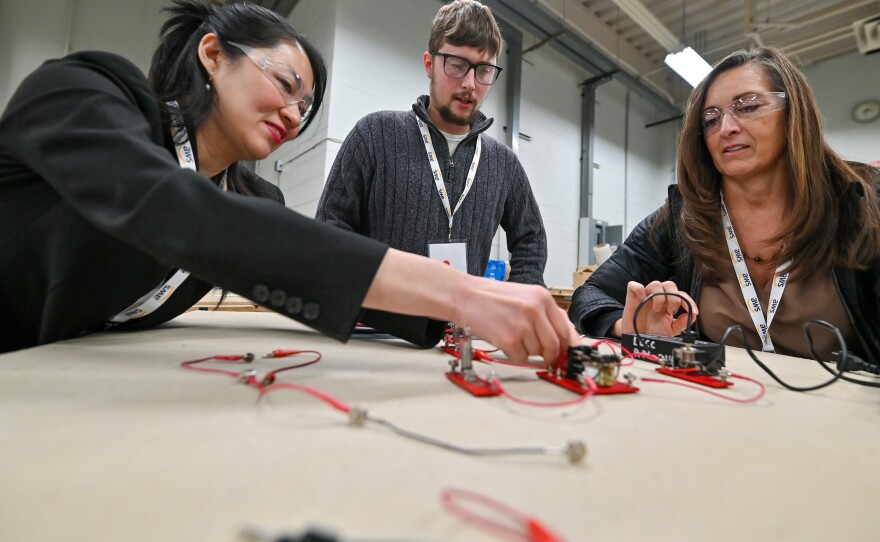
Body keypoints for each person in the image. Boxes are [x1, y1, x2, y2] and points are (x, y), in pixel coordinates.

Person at [0, 0, 578, 364]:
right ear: (212, 53)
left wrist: (450, 322)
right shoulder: (87, 91)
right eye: (285, 83)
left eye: (306, 105)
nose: (295, 115)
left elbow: (298, 271)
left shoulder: (253, 197)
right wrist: (461, 291)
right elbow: (179, 213)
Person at [569, 47, 880, 364]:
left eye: (748, 107)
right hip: (724, 399)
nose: (727, 128)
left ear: (793, 113)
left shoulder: (863, 204)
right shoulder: (683, 218)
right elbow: (590, 295)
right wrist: (632, 326)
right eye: (711, 119)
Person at [314, 0, 547, 346]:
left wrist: (516, 303)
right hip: (372, 336)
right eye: (457, 65)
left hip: (458, 341)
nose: (470, 83)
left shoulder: (503, 164)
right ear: (430, 64)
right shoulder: (374, 135)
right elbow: (331, 227)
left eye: (483, 71)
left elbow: (531, 239)